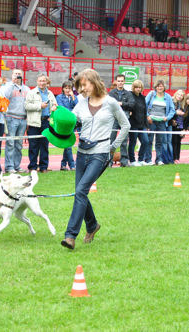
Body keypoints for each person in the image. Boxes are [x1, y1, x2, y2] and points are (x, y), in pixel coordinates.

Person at [60, 69, 130, 250]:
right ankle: (92, 225)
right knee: (80, 192)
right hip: (82, 151)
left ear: (95, 82)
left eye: (85, 85)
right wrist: (57, 114)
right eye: (80, 86)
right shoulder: (81, 103)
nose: (82, 89)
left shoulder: (111, 102)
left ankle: (70, 236)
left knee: (81, 190)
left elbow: (125, 125)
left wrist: (113, 146)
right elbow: (71, 120)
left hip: (100, 153)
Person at [24, 74, 57, 173]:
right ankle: (33, 167)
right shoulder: (31, 92)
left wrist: (54, 108)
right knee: (33, 145)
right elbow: (26, 106)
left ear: (47, 82)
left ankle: (43, 167)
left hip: (46, 122)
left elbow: (55, 104)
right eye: (40, 81)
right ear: (37, 82)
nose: (42, 83)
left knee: (44, 145)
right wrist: (40, 106)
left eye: (44, 81)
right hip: (34, 122)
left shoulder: (50, 93)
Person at [2, 69, 29, 173]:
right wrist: (12, 83)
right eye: (15, 74)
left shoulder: (26, 88)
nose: (17, 76)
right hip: (11, 118)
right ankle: (9, 166)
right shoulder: (8, 86)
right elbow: (5, 96)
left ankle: (17, 165)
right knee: (10, 143)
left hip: (22, 119)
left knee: (19, 144)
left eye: (19, 74)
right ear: (12, 75)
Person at [145, 80, 175, 165]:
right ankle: (148, 159)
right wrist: (148, 116)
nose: (159, 88)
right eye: (158, 86)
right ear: (155, 87)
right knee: (149, 141)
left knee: (160, 142)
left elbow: (172, 110)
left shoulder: (168, 97)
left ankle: (159, 160)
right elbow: (144, 105)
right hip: (151, 122)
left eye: (161, 86)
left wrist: (167, 118)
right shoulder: (151, 95)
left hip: (162, 122)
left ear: (164, 87)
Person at [108, 74, 131, 167]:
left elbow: (131, 104)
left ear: (124, 82)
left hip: (124, 119)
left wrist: (121, 103)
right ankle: (108, 162)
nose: (120, 82)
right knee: (111, 140)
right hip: (113, 119)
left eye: (122, 81)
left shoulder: (128, 93)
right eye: (119, 81)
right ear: (116, 82)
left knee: (124, 141)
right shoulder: (111, 93)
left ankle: (124, 162)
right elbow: (108, 105)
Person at [127, 80, 149, 166]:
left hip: (142, 124)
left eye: (140, 87)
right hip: (133, 124)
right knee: (133, 142)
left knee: (145, 141)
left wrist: (146, 124)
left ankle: (141, 159)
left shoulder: (143, 98)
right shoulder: (130, 95)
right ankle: (132, 160)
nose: (138, 89)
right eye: (136, 87)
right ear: (133, 88)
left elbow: (144, 111)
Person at [56, 80, 78, 170]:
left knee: (68, 144)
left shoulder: (74, 97)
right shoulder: (59, 97)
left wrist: (73, 96)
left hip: (72, 123)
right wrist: (72, 113)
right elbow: (62, 109)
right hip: (64, 123)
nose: (68, 90)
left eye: (69, 88)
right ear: (63, 89)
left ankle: (63, 164)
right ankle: (72, 165)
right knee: (68, 145)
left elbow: (78, 106)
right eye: (66, 88)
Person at [170, 90, 186, 163]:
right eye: (178, 94)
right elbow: (169, 112)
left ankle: (177, 158)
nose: (179, 96)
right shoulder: (172, 102)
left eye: (181, 95)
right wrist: (175, 113)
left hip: (180, 125)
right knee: (173, 141)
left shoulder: (183, 105)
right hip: (173, 124)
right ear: (175, 94)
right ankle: (173, 157)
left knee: (178, 142)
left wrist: (184, 129)